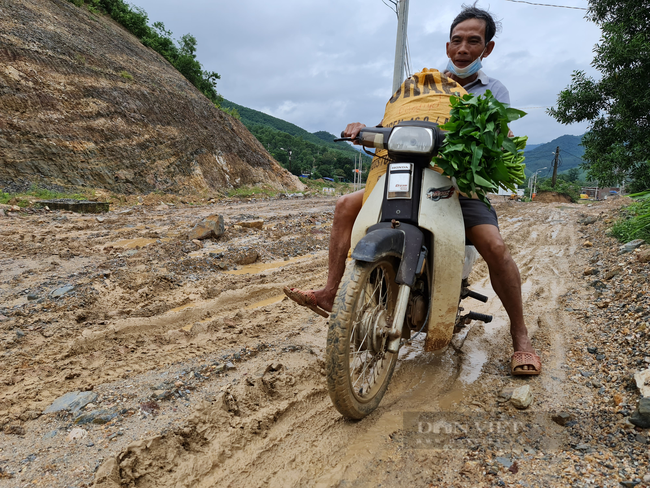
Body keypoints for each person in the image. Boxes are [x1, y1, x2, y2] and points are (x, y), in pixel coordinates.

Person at [284, 5, 541, 375]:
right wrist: (364, 129)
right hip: (404, 175)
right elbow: (396, 124)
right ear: (448, 46)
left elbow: (494, 136)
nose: (464, 48)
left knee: (495, 247)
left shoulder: (493, 91)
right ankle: (330, 291)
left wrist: (500, 136)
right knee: (344, 205)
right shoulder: (421, 85)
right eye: (457, 41)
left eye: (474, 41)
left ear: (488, 48)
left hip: (455, 186)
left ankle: (521, 338)